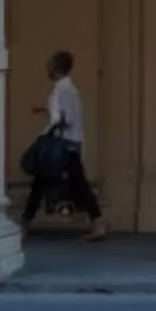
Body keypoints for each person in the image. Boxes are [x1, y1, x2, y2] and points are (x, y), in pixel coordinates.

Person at [21, 50, 106, 240]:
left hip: (62, 144)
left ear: (55, 68)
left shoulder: (61, 89)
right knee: (74, 183)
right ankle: (97, 222)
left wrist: (49, 126)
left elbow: (61, 117)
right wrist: (44, 110)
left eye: (49, 65)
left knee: (45, 182)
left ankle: (25, 223)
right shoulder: (69, 89)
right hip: (71, 143)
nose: (47, 69)